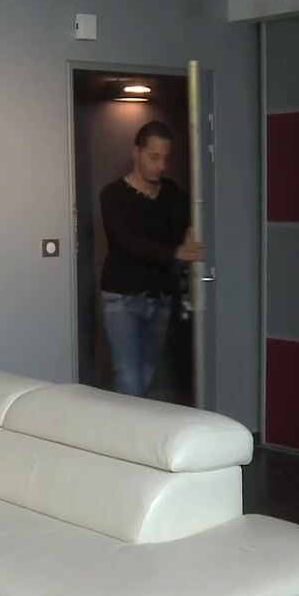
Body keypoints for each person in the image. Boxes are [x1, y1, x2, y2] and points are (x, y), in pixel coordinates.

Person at [99, 120, 204, 397]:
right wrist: (176, 253)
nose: (161, 166)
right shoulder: (112, 195)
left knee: (148, 375)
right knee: (129, 378)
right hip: (122, 298)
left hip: (160, 298)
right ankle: (122, 426)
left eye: (165, 158)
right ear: (137, 152)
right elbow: (127, 241)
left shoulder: (171, 193)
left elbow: (181, 233)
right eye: (154, 157)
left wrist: (189, 237)